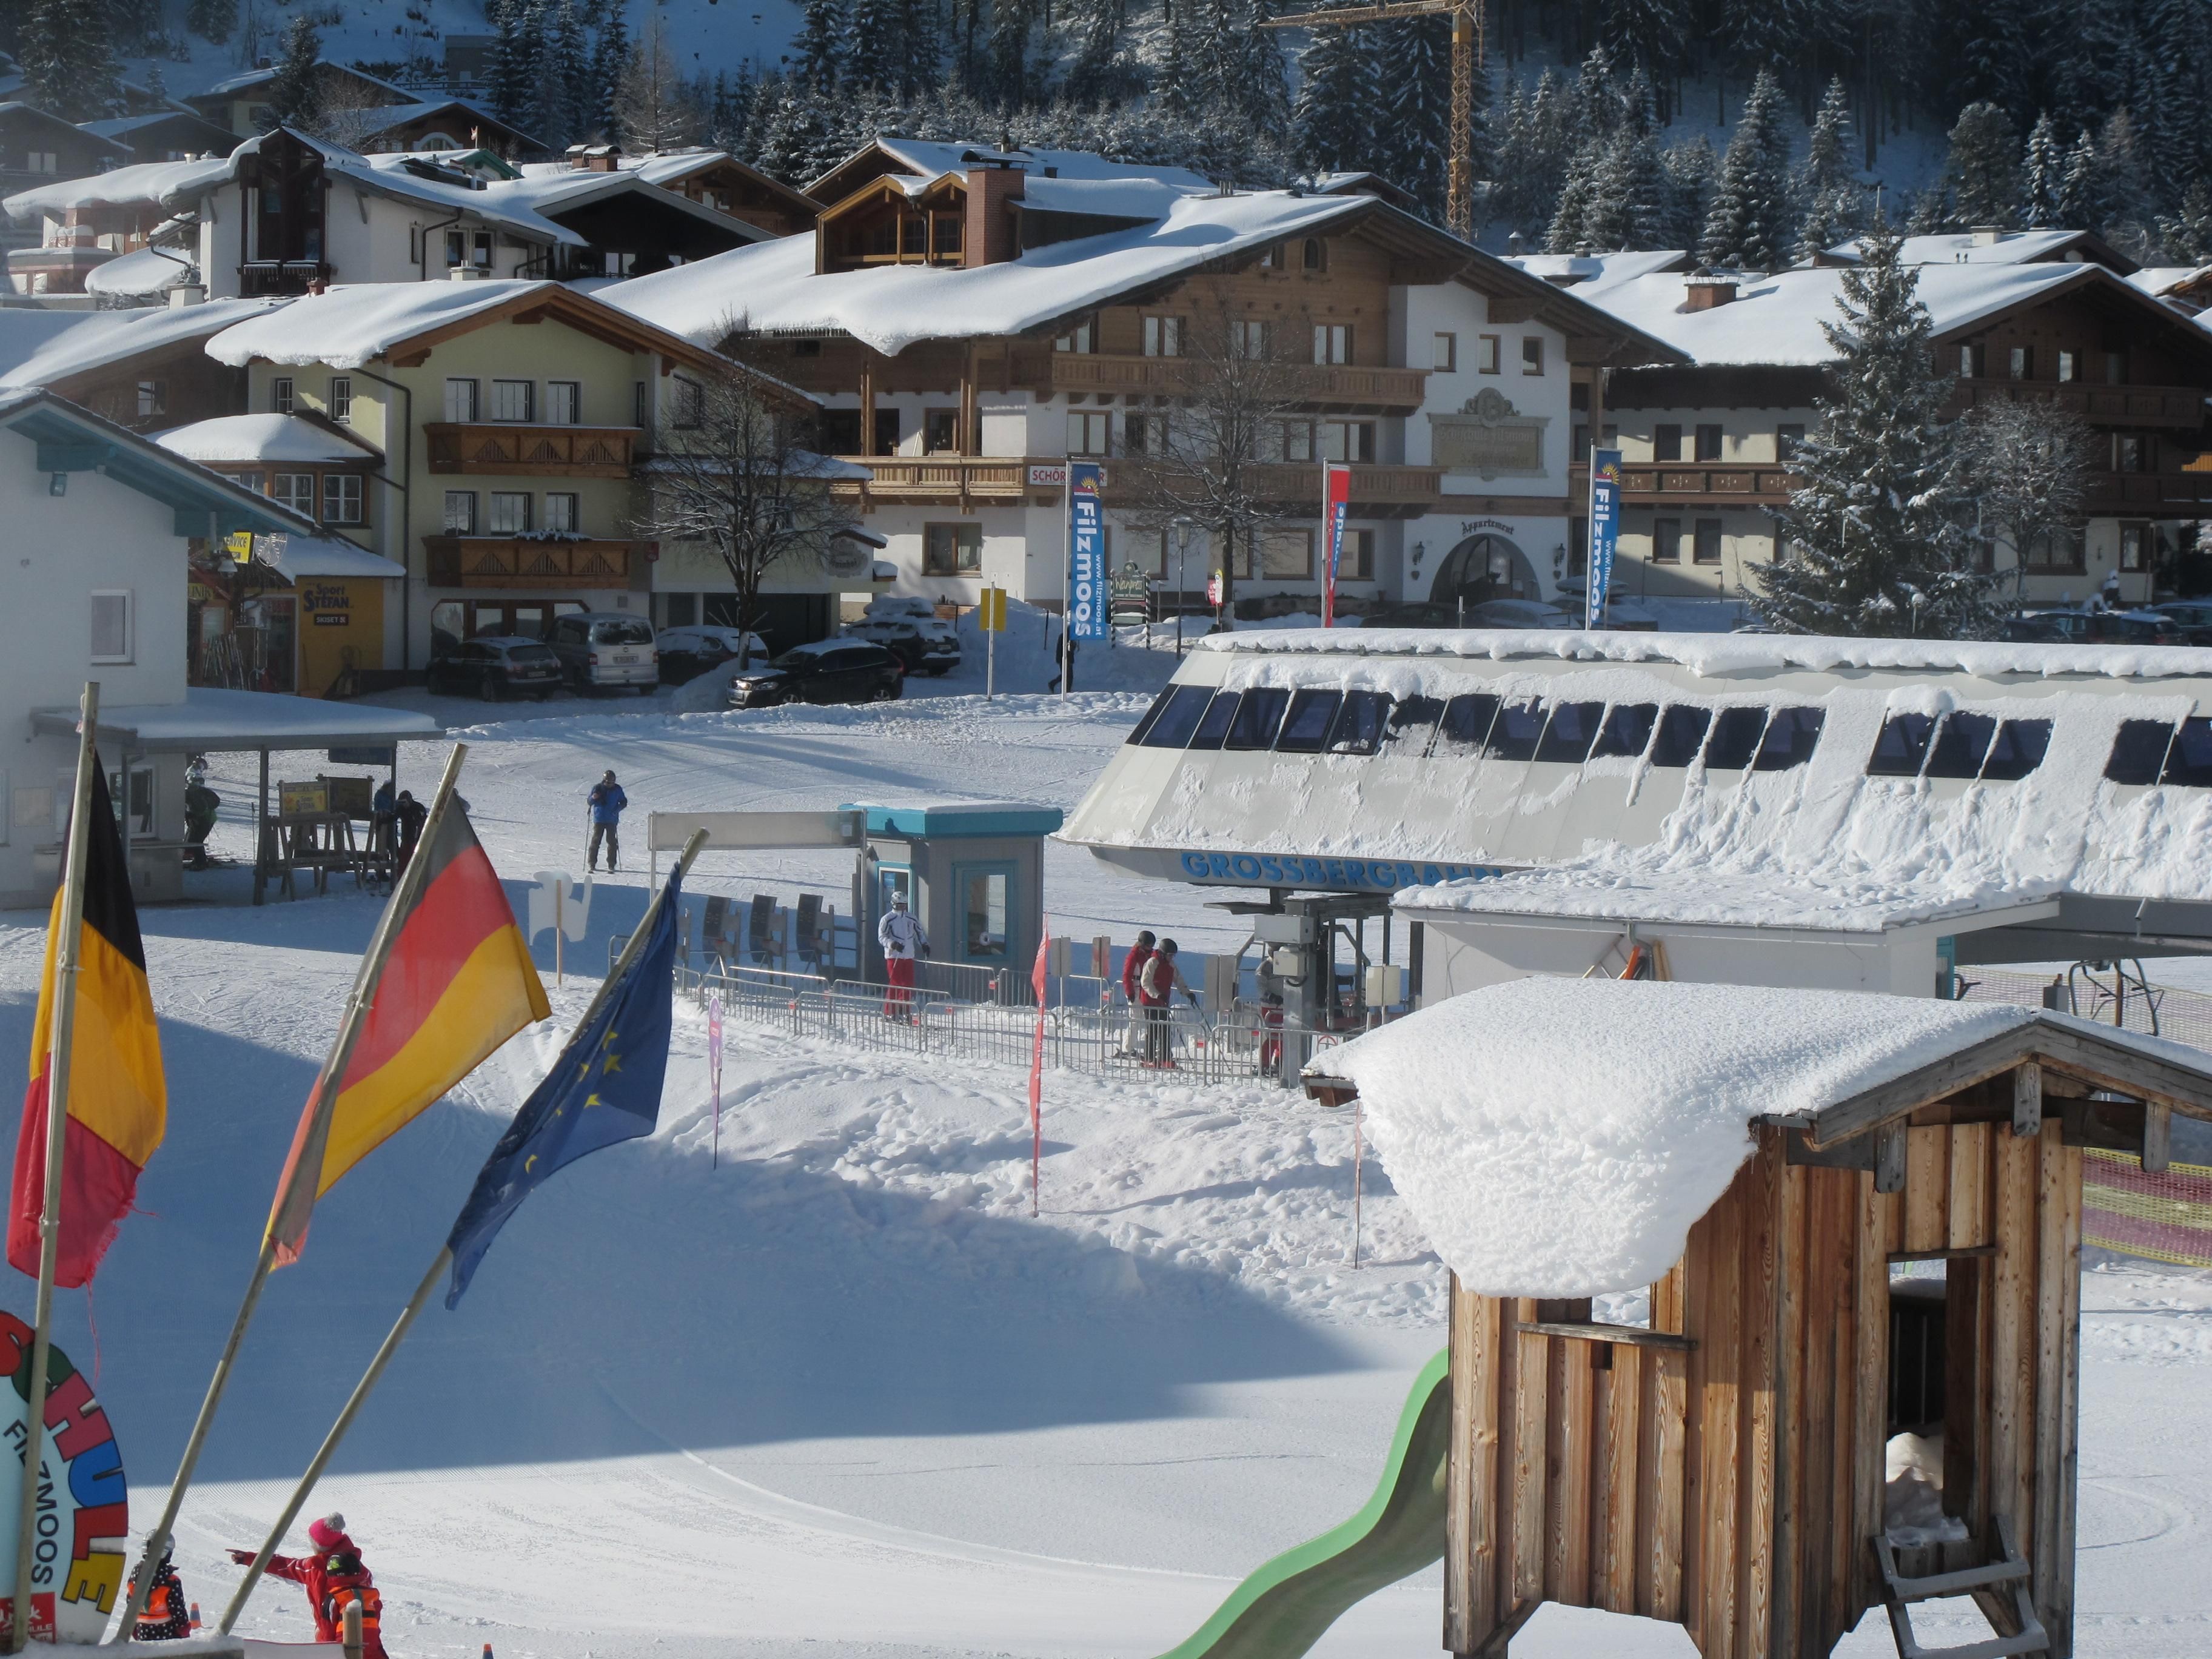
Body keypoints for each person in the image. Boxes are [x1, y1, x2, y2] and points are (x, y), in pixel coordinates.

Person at [230, 1514, 387, 1659]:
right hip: (371, 1643)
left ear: (318, 1546)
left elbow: (284, 1566)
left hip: (332, 1647)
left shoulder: (313, 1568)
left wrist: (248, 1558)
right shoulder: (360, 1570)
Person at [1139, 937, 1196, 1068]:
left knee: (1165, 1029)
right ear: (1163, 953)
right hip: (1150, 1001)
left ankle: (1166, 1059)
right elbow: (1145, 982)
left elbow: (1178, 979)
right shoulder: (1152, 962)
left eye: (1173, 955)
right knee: (1153, 1030)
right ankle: (1149, 1058)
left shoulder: (1171, 964)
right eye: (1170, 955)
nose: (1172, 958)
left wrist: (1187, 993)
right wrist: (1157, 994)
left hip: (1163, 1001)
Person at [877, 890, 929, 1019]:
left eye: (904, 905)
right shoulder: (888, 919)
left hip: (908, 955)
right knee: (896, 983)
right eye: (899, 905)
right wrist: (892, 944)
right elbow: (881, 937)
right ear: (893, 904)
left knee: (908, 984)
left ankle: (904, 1010)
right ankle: (890, 1011)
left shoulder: (911, 918)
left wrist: (924, 944)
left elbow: (919, 933)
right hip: (894, 956)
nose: (902, 907)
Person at [131, 1545, 189, 1641]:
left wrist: (132, 1626)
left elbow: (131, 1603)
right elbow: (177, 1608)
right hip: (167, 1631)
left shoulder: (134, 1579)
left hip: (142, 1630)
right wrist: (183, 1627)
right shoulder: (171, 1581)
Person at [1119, 930, 1156, 1056]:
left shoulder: (1151, 955)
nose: (1150, 948)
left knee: (1147, 1019)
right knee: (1135, 1019)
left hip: (1146, 990)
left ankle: (1149, 1048)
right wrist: (1129, 991)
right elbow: (1127, 975)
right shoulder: (1133, 956)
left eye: (1152, 945)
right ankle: (1127, 1047)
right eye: (1148, 945)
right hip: (1135, 990)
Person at [588, 771, 628, 872]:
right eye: (609, 782)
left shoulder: (617, 789)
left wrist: (617, 810)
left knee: (612, 842)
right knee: (596, 841)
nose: (611, 784)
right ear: (604, 781)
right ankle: (592, 863)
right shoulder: (598, 788)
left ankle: (612, 864)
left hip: (612, 820)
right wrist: (593, 798)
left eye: (612, 782)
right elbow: (589, 801)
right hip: (599, 819)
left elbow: (624, 802)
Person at [391, 789, 427, 874]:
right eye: (401, 802)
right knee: (404, 860)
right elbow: (394, 817)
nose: (403, 805)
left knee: (415, 861)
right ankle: (402, 876)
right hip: (406, 838)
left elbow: (423, 822)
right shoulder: (401, 809)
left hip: (417, 839)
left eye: (404, 802)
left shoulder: (418, 808)